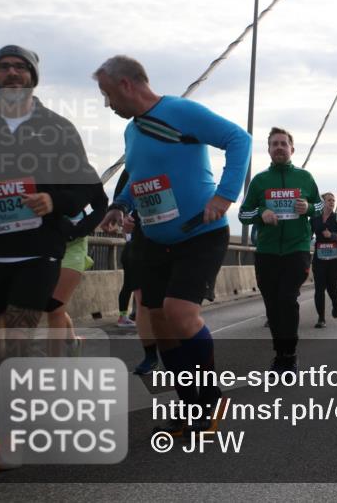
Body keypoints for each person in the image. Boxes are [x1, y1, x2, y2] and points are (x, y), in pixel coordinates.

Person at [0, 45, 100, 471]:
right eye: (3, 67)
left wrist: (52, 199)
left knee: (13, 345)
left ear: (33, 77)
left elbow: (92, 193)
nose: (12, 73)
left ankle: (12, 438)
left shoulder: (56, 128)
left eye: (20, 67)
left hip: (38, 253)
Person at [96, 55, 251, 435]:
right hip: (154, 237)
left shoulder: (180, 111)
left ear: (126, 84)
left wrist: (225, 197)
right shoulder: (132, 132)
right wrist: (120, 205)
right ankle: (188, 404)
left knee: (179, 314)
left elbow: (239, 139)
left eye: (107, 94)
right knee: (162, 323)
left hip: (199, 232)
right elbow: (141, 178)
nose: (107, 104)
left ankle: (211, 399)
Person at [238, 127, 321, 371]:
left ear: (292, 149)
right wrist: (261, 213)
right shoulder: (260, 181)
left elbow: (318, 206)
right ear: (269, 150)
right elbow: (243, 213)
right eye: (274, 144)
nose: (279, 148)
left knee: (287, 298)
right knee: (272, 304)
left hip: (297, 249)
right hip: (267, 251)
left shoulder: (305, 178)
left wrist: (307, 207)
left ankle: (290, 353)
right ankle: (280, 352)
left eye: (283, 144)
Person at [46, 182, 108, 352]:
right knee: (51, 305)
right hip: (46, 245)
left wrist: (80, 230)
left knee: (54, 306)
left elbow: (102, 204)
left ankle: (54, 370)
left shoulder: (80, 169)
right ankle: (73, 342)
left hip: (74, 246)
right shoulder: (36, 168)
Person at [311, 192, 337, 327]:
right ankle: (321, 318)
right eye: (329, 200)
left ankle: (336, 305)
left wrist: (332, 235)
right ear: (323, 202)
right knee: (319, 288)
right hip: (319, 258)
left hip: (335, 259)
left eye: (333, 200)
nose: (332, 202)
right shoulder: (314, 219)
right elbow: (307, 233)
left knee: (332, 287)